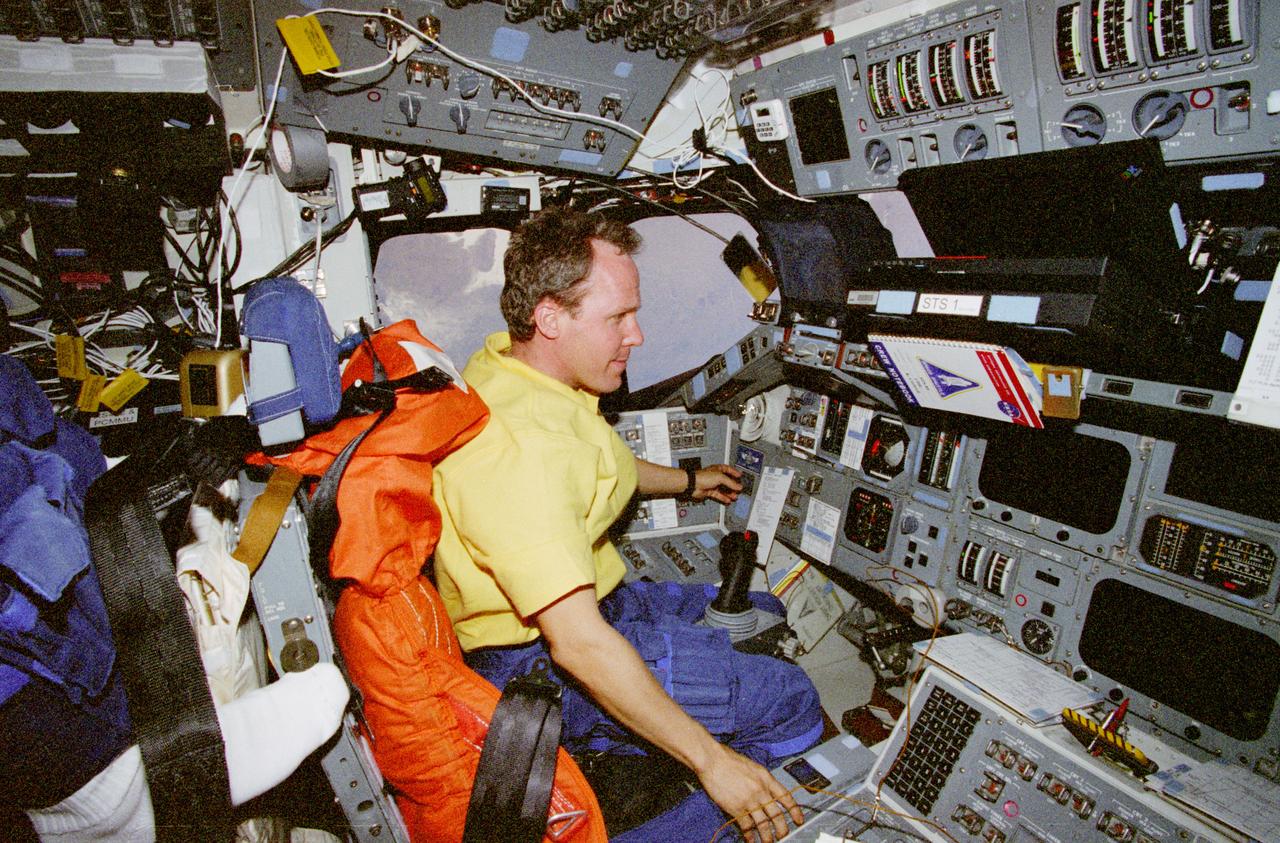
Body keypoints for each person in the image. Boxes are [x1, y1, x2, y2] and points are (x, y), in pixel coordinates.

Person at [431, 207, 823, 842]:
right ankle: (716, 810)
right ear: (550, 317)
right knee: (790, 699)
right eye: (617, 317)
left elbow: (599, 462)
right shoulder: (520, 455)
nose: (636, 335)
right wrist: (712, 762)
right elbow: (579, 646)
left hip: (600, 603)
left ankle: (666, 731)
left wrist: (692, 481)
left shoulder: (518, 367)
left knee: (760, 607)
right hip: (538, 664)